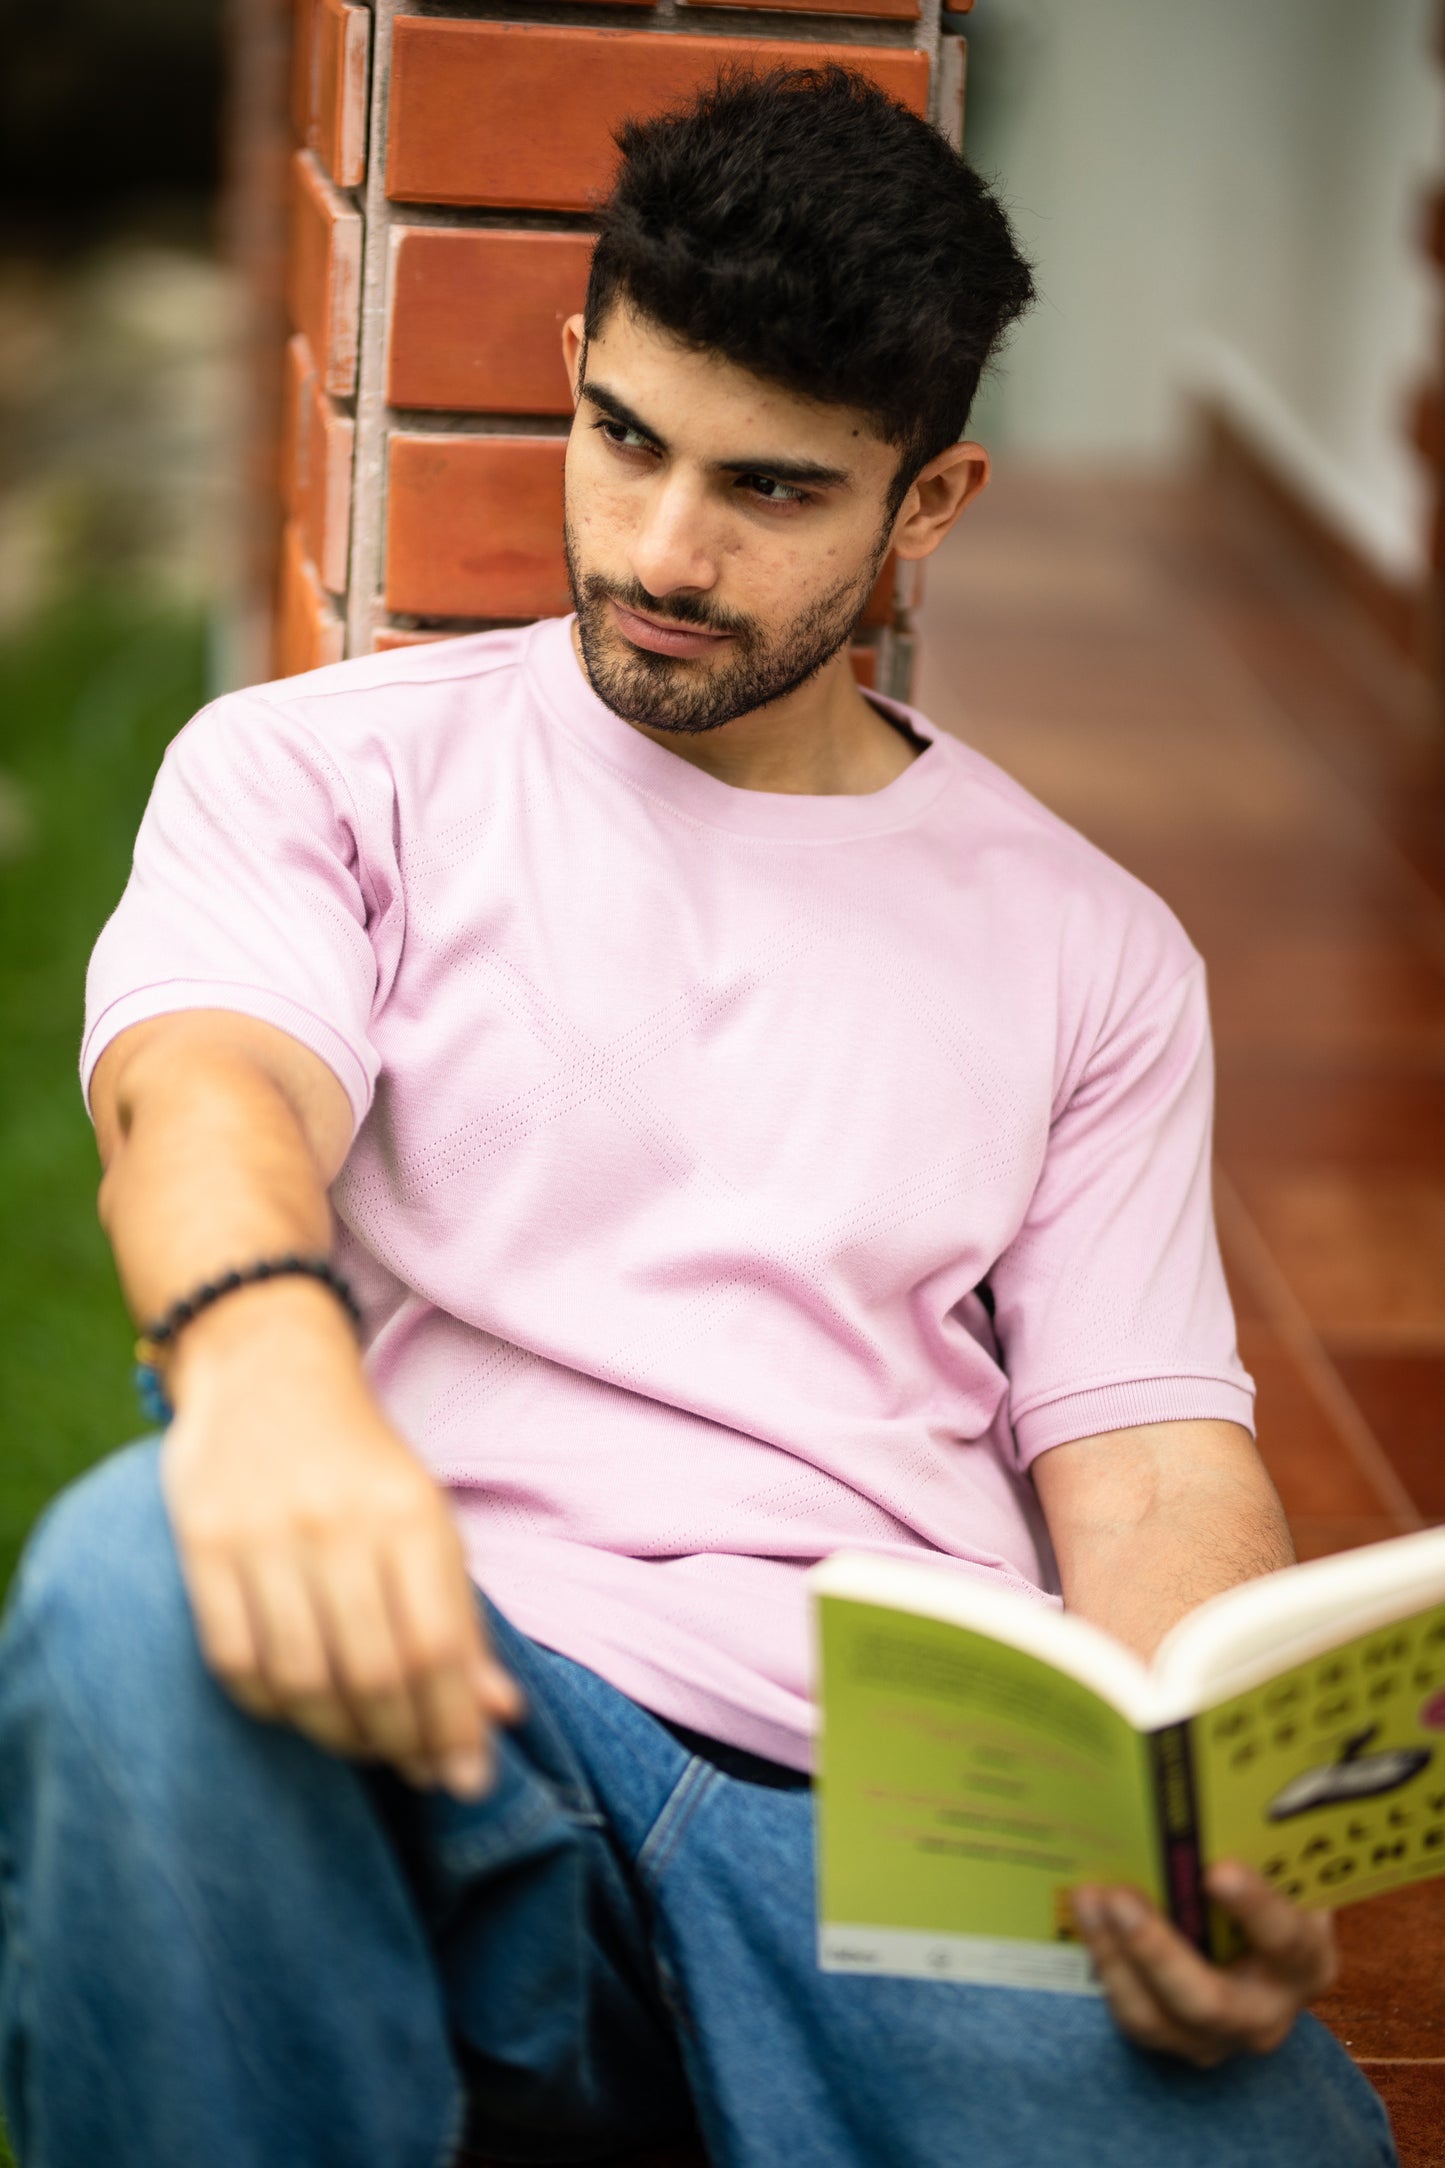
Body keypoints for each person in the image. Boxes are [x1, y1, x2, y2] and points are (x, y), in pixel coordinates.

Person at [0, 65, 1395, 2168]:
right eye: (627, 439)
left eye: (771, 490)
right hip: (450, 1700)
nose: (660, 547)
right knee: (133, 1577)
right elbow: (207, 1087)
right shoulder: (322, 773)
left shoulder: (1095, 950)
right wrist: (265, 1366)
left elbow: (1151, 1474)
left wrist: (1207, 1824)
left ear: (928, 504)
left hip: (898, 1827)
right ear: (571, 371)